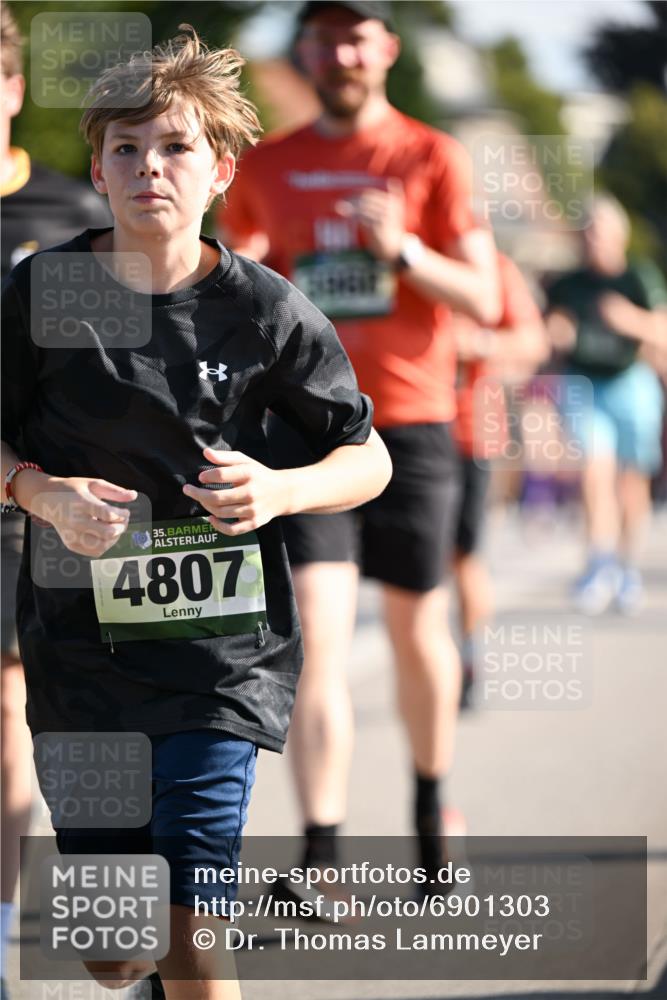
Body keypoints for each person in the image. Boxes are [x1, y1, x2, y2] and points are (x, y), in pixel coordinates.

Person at [1, 25, 391, 1000]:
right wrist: (38, 492)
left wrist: (283, 488)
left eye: (174, 146)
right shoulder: (44, 292)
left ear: (220, 170)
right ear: (98, 169)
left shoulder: (264, 309)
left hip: (220, 660)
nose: (149, 166)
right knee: (115, 953)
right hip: (80, 660)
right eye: (126, 148)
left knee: (190, 931)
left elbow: (368, 457)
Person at [220, 0, 501, 895]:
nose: (338, 54)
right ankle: (322, 859)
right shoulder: (268, 164)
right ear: (304, 52)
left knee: (419, 629)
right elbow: (232, 276)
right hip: (303, 429)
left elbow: (485, 298)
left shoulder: (431, 155)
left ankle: (430, 810)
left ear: (385, 48)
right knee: (315, 635)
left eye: (354, 37)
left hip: (411, 421)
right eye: (321, 38)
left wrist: (401, 248)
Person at [0, 7, 111, 998]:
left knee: (9, 708)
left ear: (13, 88)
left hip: (24, 506)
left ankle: (0, 928)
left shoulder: (71, 216)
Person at [545, 195, 667, 615]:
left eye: (600, 231)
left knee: (631, 481)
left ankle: (627, 565)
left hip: (630, 380)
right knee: (593, 471)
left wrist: (630, 320)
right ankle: (599, 562)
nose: (593, 239)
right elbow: (551, 327)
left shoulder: (639, 277)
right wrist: (557, 332)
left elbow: (661, 331)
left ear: (619, 235)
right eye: (587, 231)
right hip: (584, 382)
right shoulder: (568, 284)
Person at [451, 253, 547, 706]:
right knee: (416, 565)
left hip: (472, 432)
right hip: (399, 430)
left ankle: (470, 660)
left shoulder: (494, 267)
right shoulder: (392, 251)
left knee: (464, 556)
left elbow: (533, 341)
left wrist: (477, 342)